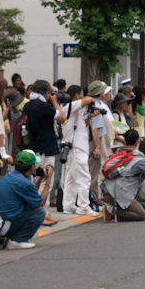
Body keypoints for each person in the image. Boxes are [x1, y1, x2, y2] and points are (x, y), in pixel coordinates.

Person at [0, 150, 47, 249]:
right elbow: (41, 202)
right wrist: (48, 182)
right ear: (32, 167)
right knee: (40, 212)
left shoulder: (10, 176)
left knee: (30, 206)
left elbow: (33, 198)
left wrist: (39, 180)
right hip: (1, 226)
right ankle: (17, 240)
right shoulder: (24, 182)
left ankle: (17, 238)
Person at [100, 135, 145, 222]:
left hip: (109, 188)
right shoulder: (141, 162)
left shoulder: (134, 155)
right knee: (141, 215)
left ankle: (115, 210)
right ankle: (111, 212)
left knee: (138, 192)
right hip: (115, 192)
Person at [59, 86, 99, 216]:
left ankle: (69, 206)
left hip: (73, 147)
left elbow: (80, 126)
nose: (83, 97)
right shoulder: (72, 105)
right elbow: (87, 100)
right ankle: (84, 206)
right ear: (76, 95)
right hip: (76, 148)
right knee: (84, 177)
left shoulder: (72, 110)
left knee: (70, 178)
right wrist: (91, 99)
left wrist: (90, 116)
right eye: (82, 94)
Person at [26, 80, 61, 226]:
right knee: (46, 180)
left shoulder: (28, 105)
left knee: (37, 181)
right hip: (45, 148)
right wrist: (54, 102)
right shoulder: (44, 106)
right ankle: (42, 214)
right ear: (46, 92)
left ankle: (44, 213)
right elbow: (62, 118)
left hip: (33, 148)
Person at [88, 81, 114, 206]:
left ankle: (95, 195)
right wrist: (97, 147)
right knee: (96, 170)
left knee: (95, 170)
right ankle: (96, 197)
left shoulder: (93, 104)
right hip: (96, 141)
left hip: (96, 140)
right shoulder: (97, 106)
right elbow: (95, 129)